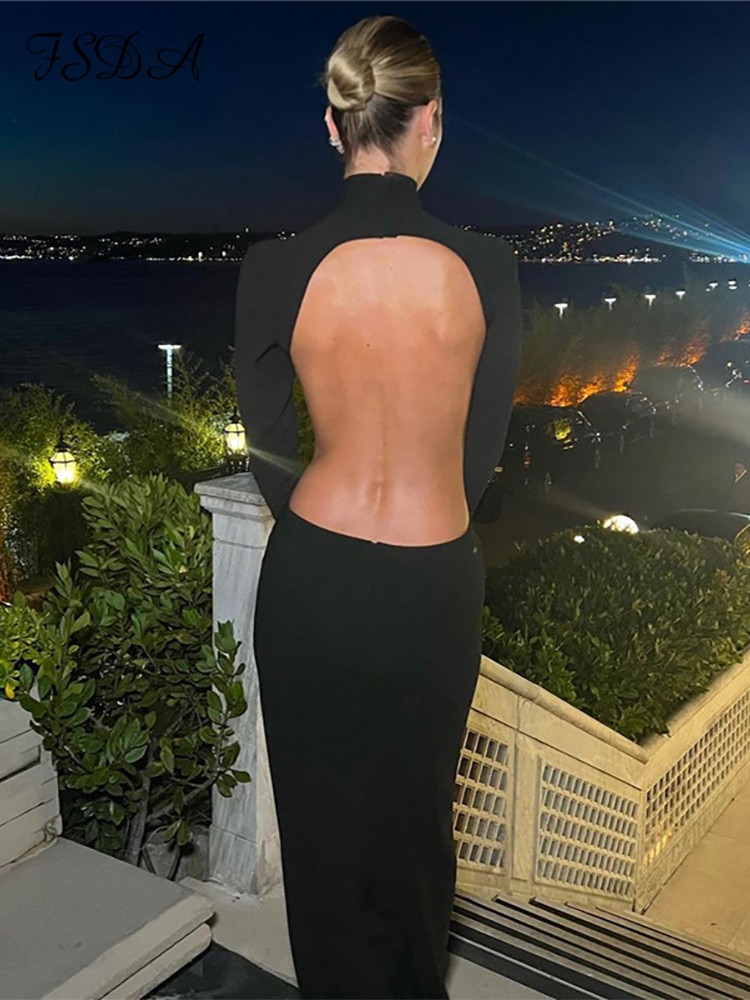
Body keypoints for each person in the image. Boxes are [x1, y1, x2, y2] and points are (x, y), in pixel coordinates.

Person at [234, 15, 523, 999]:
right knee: (416, 837)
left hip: (312, 577)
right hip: (433, 581)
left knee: (322, 848)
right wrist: (427, 517)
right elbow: (480, 452)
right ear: (429, 119)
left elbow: (267, 440)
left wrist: (319, 523)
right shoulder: (488, 268)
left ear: (333, 125)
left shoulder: (274, 267)